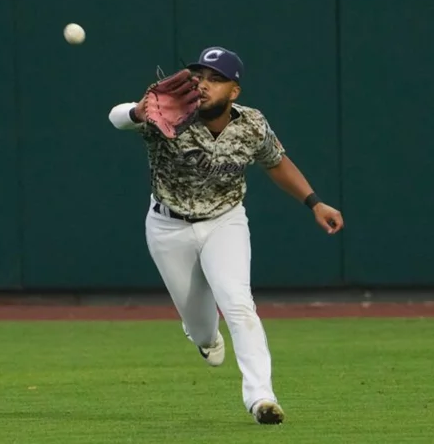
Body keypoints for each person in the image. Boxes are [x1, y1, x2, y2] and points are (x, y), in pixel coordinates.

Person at [106, 46, 344, 425]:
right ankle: (204, 337)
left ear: (234, 91)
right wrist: (137, 112)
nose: (203, 84)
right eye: (199, 76)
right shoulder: (167, 114)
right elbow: (116, 118)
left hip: (225, 221)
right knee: (202, 329)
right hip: (169, 226)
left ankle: (261, 398)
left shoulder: (251, 124)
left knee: (237, 302)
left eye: (216, 79)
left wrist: (314, 202)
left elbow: (276, 162)